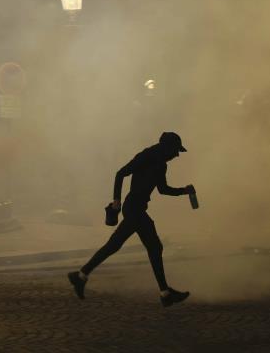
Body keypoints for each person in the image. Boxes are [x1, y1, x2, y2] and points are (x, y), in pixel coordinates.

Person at [68, 132, 195, 307]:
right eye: (175, 150)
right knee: (150, 247)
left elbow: (163, 189)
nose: (176, 155)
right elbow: (120, 173)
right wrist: (116, 201)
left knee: (118, 245)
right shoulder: (146, 156)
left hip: (138, 209)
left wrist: (184, 191)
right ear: (167, 147)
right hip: (133, 208)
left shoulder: (161, 164)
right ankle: (165, 293)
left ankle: (81, 275)